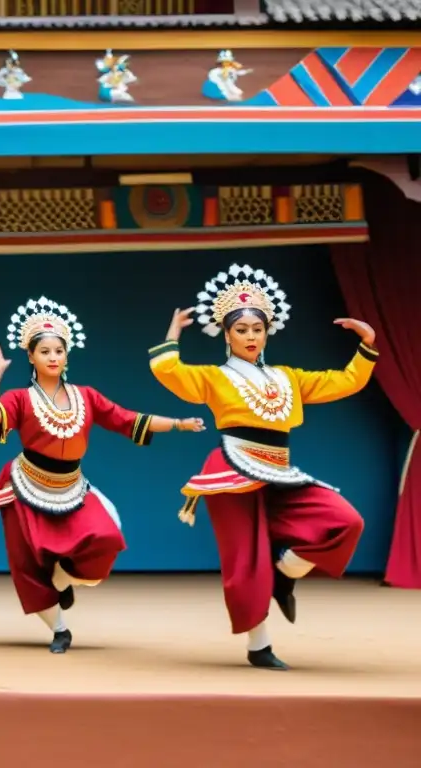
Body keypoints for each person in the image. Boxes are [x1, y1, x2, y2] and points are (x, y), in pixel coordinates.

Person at [149, 263, 375, 670]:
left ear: (268, 330)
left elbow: (346, 381)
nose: (251, 337)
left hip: (279, 469)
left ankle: (285, 571)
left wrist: (367, 345)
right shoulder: (215, 377)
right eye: (242, 330)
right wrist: (172, 335)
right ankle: (259, 645)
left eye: (257, 328)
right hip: (233, 468)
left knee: (345, 521)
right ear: (227, 334)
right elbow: (169, 372)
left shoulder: (289, 378)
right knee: (245, 557)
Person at [0, 295, 204, 653]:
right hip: (25, 485)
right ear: (31, 357)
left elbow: (127, 419)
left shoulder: (86, 396)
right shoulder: (20, 398)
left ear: (67, 355)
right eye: (45, 351)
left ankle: (63, 577)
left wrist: (177, 423)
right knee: (28, 563)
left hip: (70, 486)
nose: (53, 357)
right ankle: (60, 629)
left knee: (105, 537)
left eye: (59, 351)